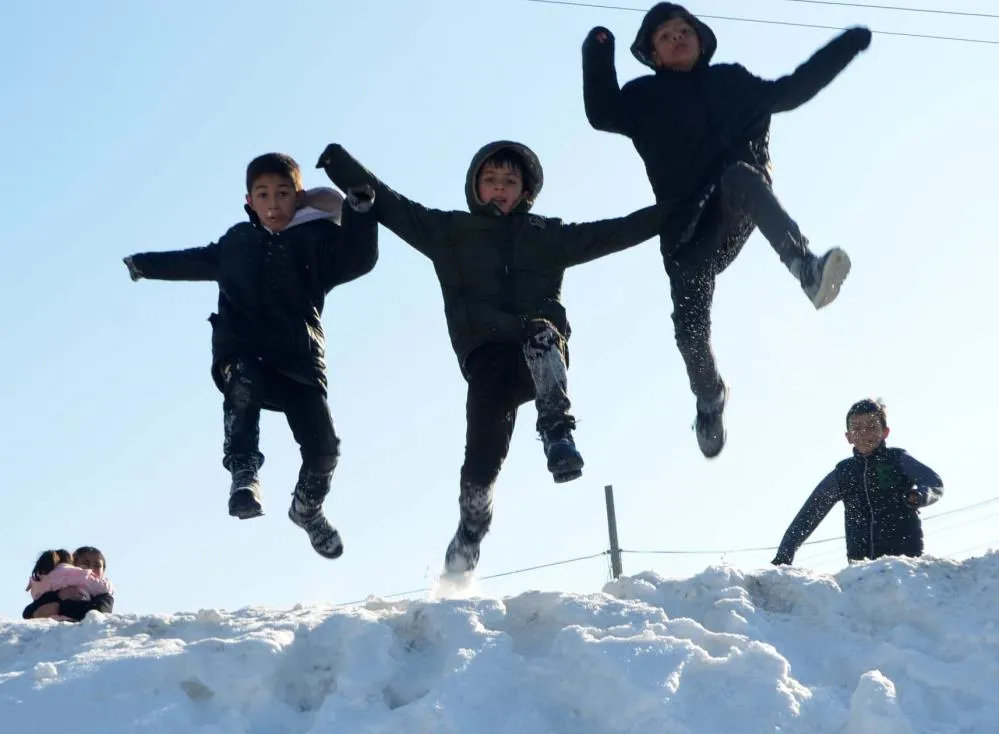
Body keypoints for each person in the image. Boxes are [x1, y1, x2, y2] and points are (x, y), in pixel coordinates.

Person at [316, 140, 662, 573]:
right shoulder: (449, 233)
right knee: (483, 458)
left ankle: (558, 433)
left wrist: (675, 210)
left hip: (540, 358)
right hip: (487, 358)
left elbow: (615, 231)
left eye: (510, 181)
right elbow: (392, 205)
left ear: (525, 191)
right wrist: (342, 166)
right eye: (491, 180)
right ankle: (472, 525)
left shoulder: (547, 235)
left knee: (541, 335)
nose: (500, 188)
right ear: (475, 187)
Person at [582, 3, 871, 458]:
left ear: (700, 39)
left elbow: (791, 90)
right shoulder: (642, 99)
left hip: (733, 209)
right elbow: (601, 112)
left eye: (684, 31)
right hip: (683, 237)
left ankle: (806, 268)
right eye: (665, 36)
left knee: (741, 176)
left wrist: (845, 47)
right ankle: (710, 397)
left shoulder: (731, 82)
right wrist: (597, 50)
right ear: (653, 54)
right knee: (690, 334)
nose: (678, 38)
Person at [123, 153, 378, 559]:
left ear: (300, 198)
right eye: (263, 195)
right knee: (242, 380)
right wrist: (144, 265)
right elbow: (193, 260)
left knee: (325, 448)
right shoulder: (237, 242)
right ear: (249, 200)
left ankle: (308, 508)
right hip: (242, 349)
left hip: (298, 357)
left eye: (282, 194)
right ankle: (244, 471)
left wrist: (360, 211)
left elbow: (358, 258)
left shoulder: (315, 241)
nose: (273, 205)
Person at [771, 399, 944, 566]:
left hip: (904, 566)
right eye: (856, 428)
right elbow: (810, 513)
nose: (863, 433)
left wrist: (920, 496)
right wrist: (785, 553)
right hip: (862, 570)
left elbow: (933, 482)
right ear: (848, 437)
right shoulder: (844, 473)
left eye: (871, 427)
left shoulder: (897, 460)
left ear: (885, 432)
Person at [23, 546, 115, 621]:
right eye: (85, 563)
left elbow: (99, 612)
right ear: (72, 565)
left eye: (97, 565)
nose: (90, 568)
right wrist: (58, 595)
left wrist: (59, 607)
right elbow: (29, 612)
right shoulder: (59, 587)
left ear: (103, 571)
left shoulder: (104, 595)